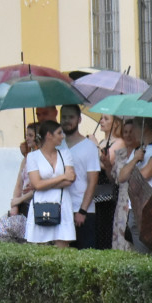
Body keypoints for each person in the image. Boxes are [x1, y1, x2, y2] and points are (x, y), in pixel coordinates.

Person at [24, 120, 76, 248]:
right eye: (59, 133)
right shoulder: (33, 157)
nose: (62, 136)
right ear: (49, 135)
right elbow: (37, 185)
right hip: (41, 203)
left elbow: (70, 179)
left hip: (62, 203)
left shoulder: (65, 154)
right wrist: (62, 176)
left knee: (62, 246)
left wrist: (43, 184)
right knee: (39, 247)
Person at [117, 116, 152, 255]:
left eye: (134, 129)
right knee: (141, 256)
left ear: (145, 128)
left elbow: (145, 174)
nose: (131, 133)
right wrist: (135, 160)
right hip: (136, 210)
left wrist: (134, 167)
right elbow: (122, 176)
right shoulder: (139, 151)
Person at [59, 104, 101, 249]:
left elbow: (92, 181)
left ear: (79, 120)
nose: (67, 120)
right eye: (63, 117)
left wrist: (82, 210)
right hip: (60, 209)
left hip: (83, 212)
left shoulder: (89, 147)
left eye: (71, 117)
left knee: (84, 259)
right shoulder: (57, 145)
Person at [92, 114, 126, 249]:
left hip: (109, 189)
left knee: (106, 225)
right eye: (101, 118)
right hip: (97, 189)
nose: (101, 121)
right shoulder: (101, 142)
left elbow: (107, 161)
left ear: (116, 123)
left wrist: (94, 145)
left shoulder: (119, 142)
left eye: (106, 119)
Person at [110, 119, 139, 251]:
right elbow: (115, 179)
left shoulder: (141, 153)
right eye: (125, 132)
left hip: (135, 199)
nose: (127, 135)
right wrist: (106, 165)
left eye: (131, 132)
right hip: (121, 202)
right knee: (120, 242)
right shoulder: (120, 154)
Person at [9, 123, 39, 217]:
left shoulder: (42, 159)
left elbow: (39, 187)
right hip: (23, 205)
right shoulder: (26, 159)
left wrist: (19, 200)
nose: (27, 139)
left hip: (35, 205)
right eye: (27, 135)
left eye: (31, 135)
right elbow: (19, 184)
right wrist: (15, 205)